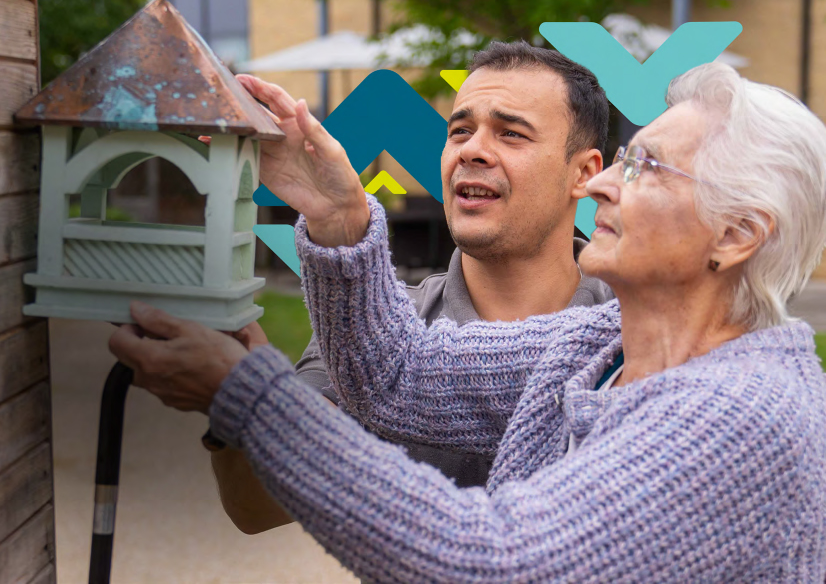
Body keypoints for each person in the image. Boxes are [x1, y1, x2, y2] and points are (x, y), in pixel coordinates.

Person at [110, 61, 826, 582]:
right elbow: (394, 377)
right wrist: (337, 215)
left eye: (647, 169)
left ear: (737, 235)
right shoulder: (597, 344)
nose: (607, 184)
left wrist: (252, 396)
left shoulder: (742, 415)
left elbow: (496, 564)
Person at [210, 41, 614, 533]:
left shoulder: (636, 325)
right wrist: (234, 389)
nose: (472, 150)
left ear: (585, 173)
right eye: (460, 130)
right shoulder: (369, 324)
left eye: (511, 134)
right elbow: (255, 504)